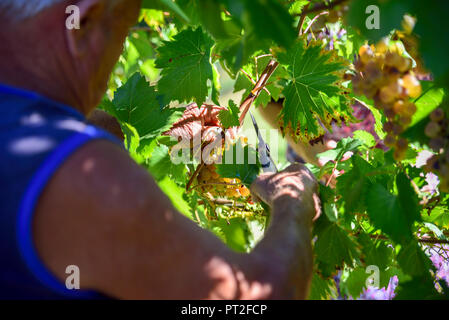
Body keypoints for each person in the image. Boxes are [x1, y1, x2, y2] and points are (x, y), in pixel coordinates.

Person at [0, 0, 320, 299]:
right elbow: (262, 295)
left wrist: (157, 123)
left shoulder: (20, 130)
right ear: (84, 21)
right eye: (123, 31)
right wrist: (292, 203)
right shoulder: (85, 174)